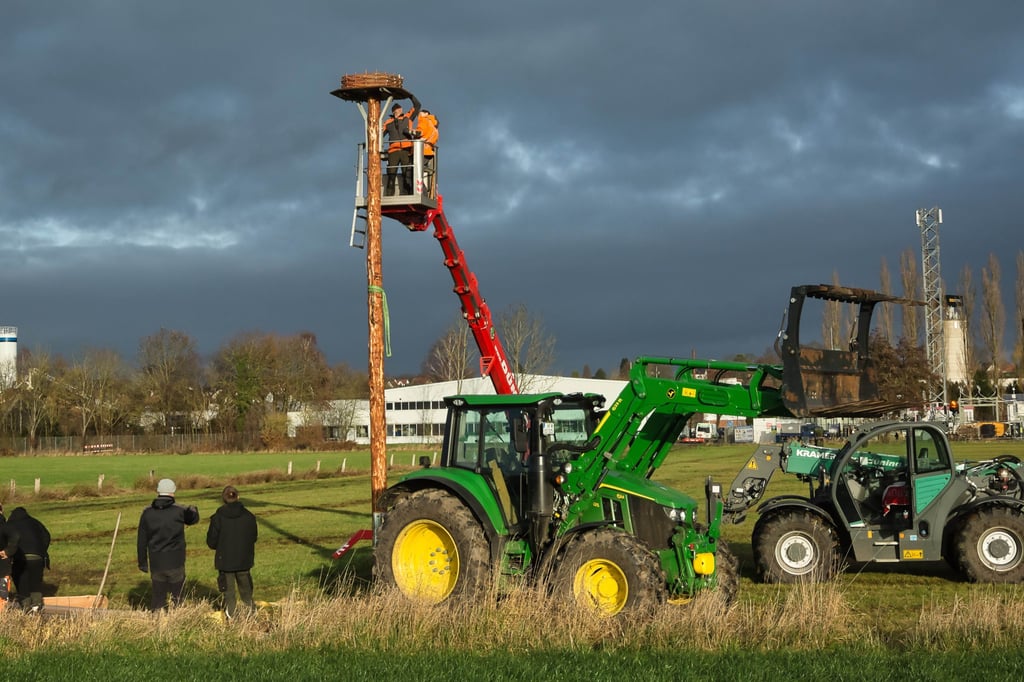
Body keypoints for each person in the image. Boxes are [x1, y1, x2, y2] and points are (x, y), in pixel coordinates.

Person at [137, 478, 199, 611]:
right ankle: (178, 623)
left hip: (156, 562)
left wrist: (142, 562)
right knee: (178, 596)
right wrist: (192, 509)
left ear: (158, 492)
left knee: (158, 597)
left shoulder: (147, 513)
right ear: (173, 492)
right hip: (175, 561)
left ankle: (157, 623)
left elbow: (141, 540)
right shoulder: (178, 511)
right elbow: (193, 518)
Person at [206, 485, 258, 619]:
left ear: (223, 499)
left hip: (225, 562)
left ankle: (232, 619)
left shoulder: (217, 518)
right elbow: (253, 537)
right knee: (246, 592)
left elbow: (211, 542)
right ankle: (251, 617)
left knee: (229, 594)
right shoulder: (249, 516)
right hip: (244, 560)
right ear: (238, 497)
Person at [6, 507, 50, 613]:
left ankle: (26, 607)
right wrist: (41, 550)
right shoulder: (35, 522)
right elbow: (46, 536)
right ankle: (36, 605)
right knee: (35, 581)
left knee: (22, 581)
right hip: (37, 557)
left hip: (19, 557)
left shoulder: (10, 525)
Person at [382, 93, 421, 196]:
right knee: (391, 174)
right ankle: (389, 195)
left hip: (406, 149)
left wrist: (411, 96)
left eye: (401, 109)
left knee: (406, 174)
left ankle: (407, 194)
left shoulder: (408, 117)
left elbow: (417, 106)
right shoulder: (387, 122)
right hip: (393, 151)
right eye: (399, 109)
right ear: (394, 111)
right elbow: (380, 135)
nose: (400, 110)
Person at [415, 108, 439, 196]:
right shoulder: (433, 124)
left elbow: (420, 132)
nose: (419, 115)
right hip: (428, 150)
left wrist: (411, 133)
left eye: (420, 113)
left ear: (426, 113)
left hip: (422, 150)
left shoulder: (424, 121)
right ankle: (425, 193)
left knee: (415, 173)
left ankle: (422, 193)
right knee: (420, 172)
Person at [0, 504, 18, 607]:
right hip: (2, 564)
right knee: (2, 592)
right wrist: (8, 551)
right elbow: (16, 536)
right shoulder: (4, 525)